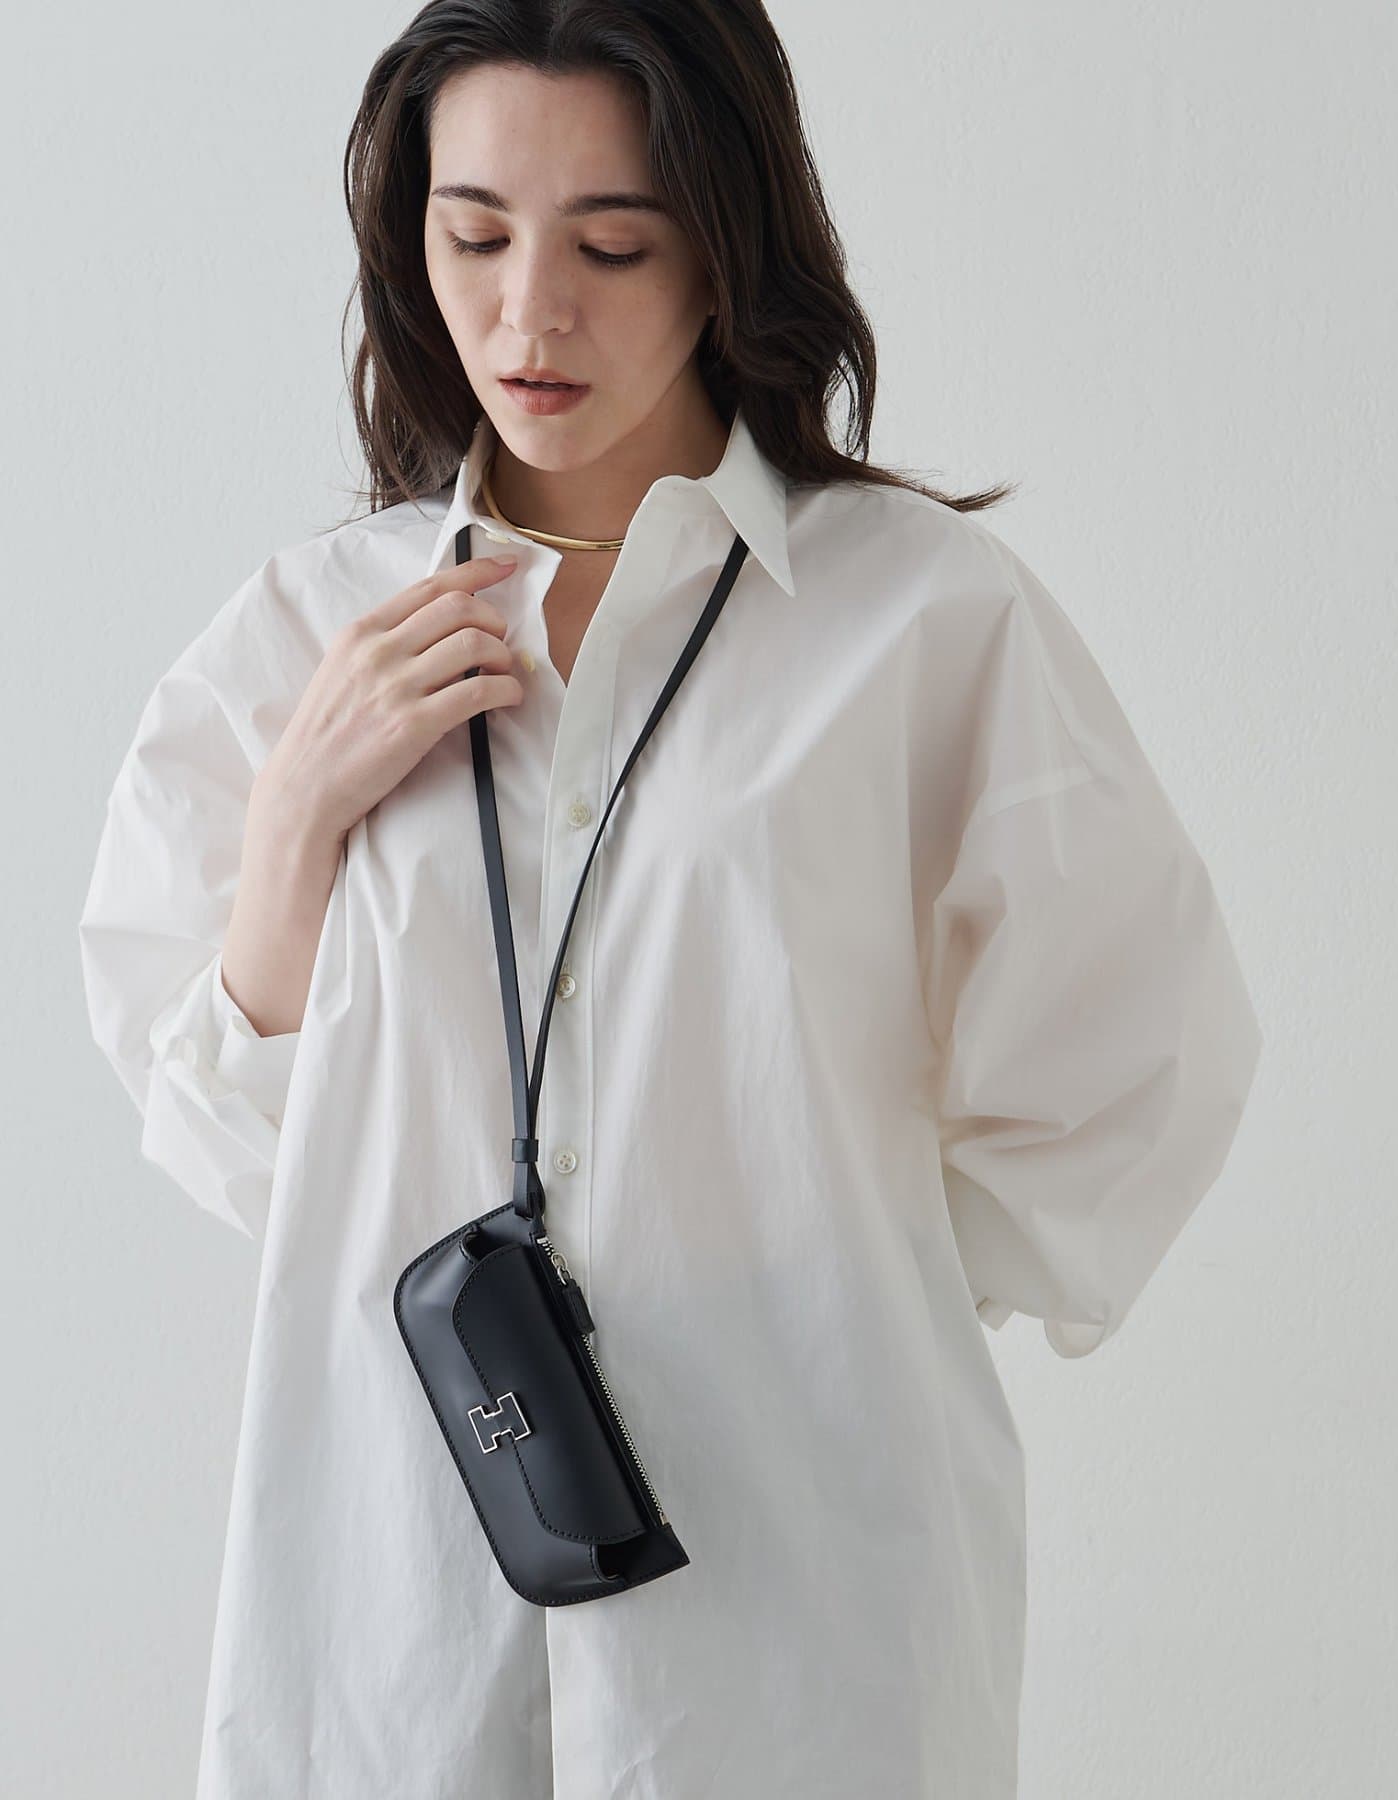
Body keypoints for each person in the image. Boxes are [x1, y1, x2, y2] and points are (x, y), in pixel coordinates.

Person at [77, 4, 1264, 1796]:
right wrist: (301, 817)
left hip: (805, 1611)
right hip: (392, 1599)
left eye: (611, 245)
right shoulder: (304, 637)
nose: (529, 314)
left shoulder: (920, 622)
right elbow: (231, 1136)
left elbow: (1136, 1056)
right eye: (475, 235)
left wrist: (836, 1282)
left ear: (724, 244)